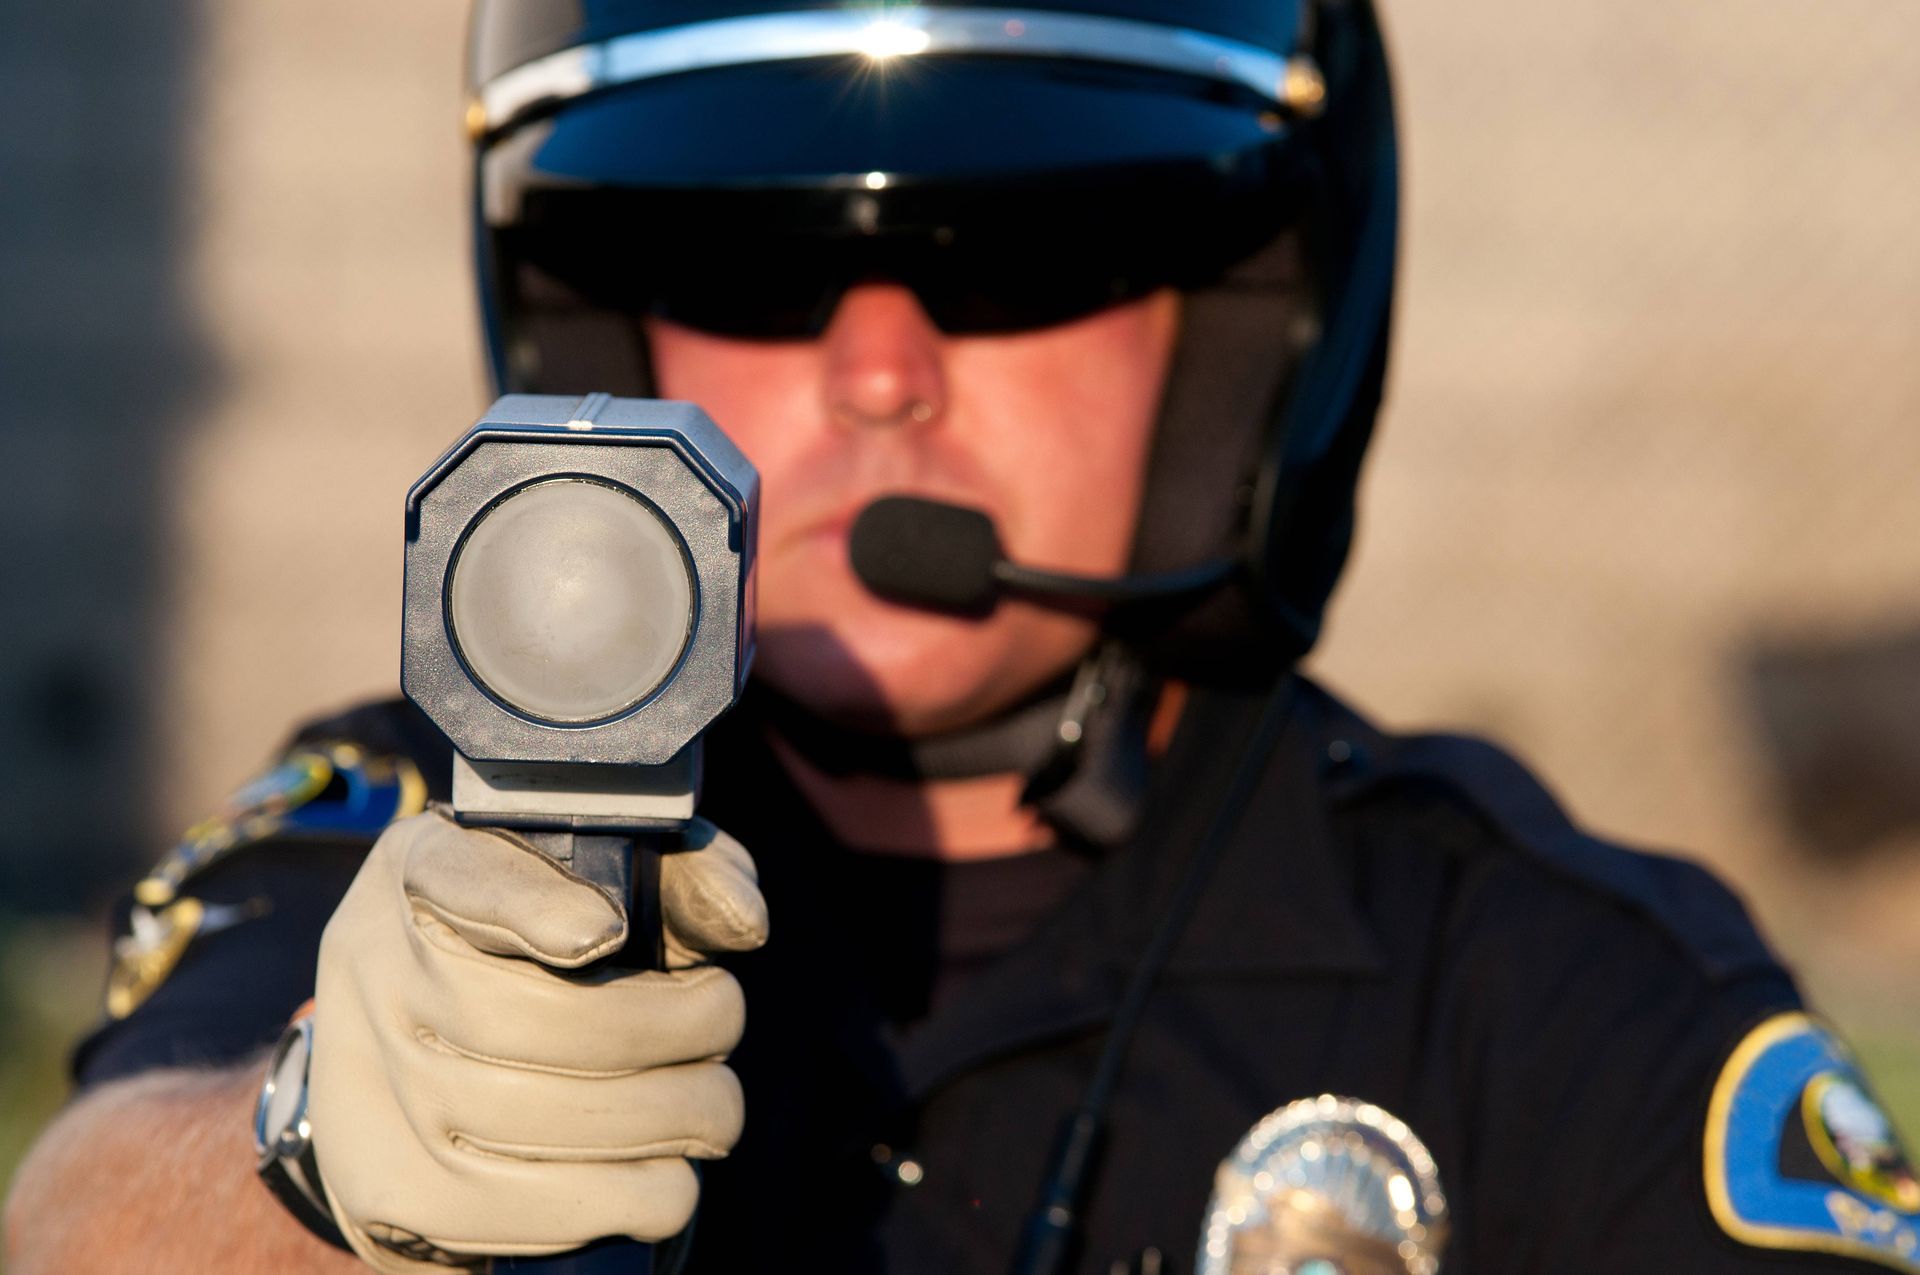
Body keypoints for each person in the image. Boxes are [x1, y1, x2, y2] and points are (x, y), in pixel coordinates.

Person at [7, 2, 1919, 1272]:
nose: (877, 375)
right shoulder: (418, 832)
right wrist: (325, 1142)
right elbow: (87, 1207)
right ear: (600, 336)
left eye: (1015, 259)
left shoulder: (1531, 984)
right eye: (754, 255)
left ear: (1238, 336)